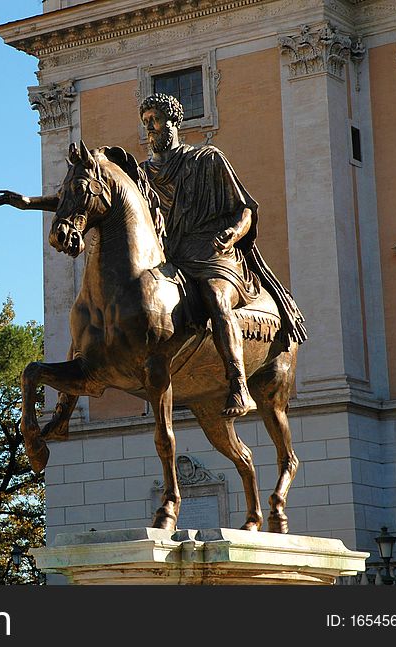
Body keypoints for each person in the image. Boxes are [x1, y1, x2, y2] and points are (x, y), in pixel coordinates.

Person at [139, 93, 306, 416]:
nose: (150, 129)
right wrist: (33, 203)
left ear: (174, 122)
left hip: (213, 252)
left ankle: (239, 383)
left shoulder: (207, 159)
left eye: (155, 121)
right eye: (146, 122)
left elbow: (245, 208)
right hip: (172, 255)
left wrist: (234, 233)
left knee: (216, 298)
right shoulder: (144, 174)